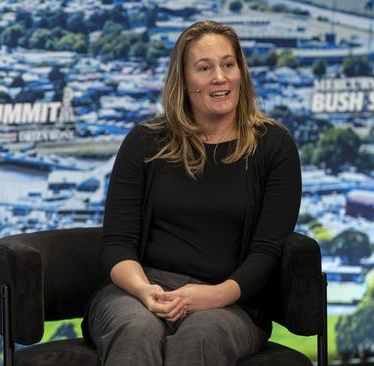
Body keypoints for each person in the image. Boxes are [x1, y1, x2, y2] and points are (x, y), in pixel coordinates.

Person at [83, 21, 302, 366]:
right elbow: (117, 242)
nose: (220, 77)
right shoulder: (144, 141)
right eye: (204, 67)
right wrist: (144, 290)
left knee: (201, 336)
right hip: (142, 289)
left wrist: (215, 295)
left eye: (229, 65)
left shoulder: (273, 146)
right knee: (136, 329)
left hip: (231, 300)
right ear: (184, 81)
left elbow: (268, 251)